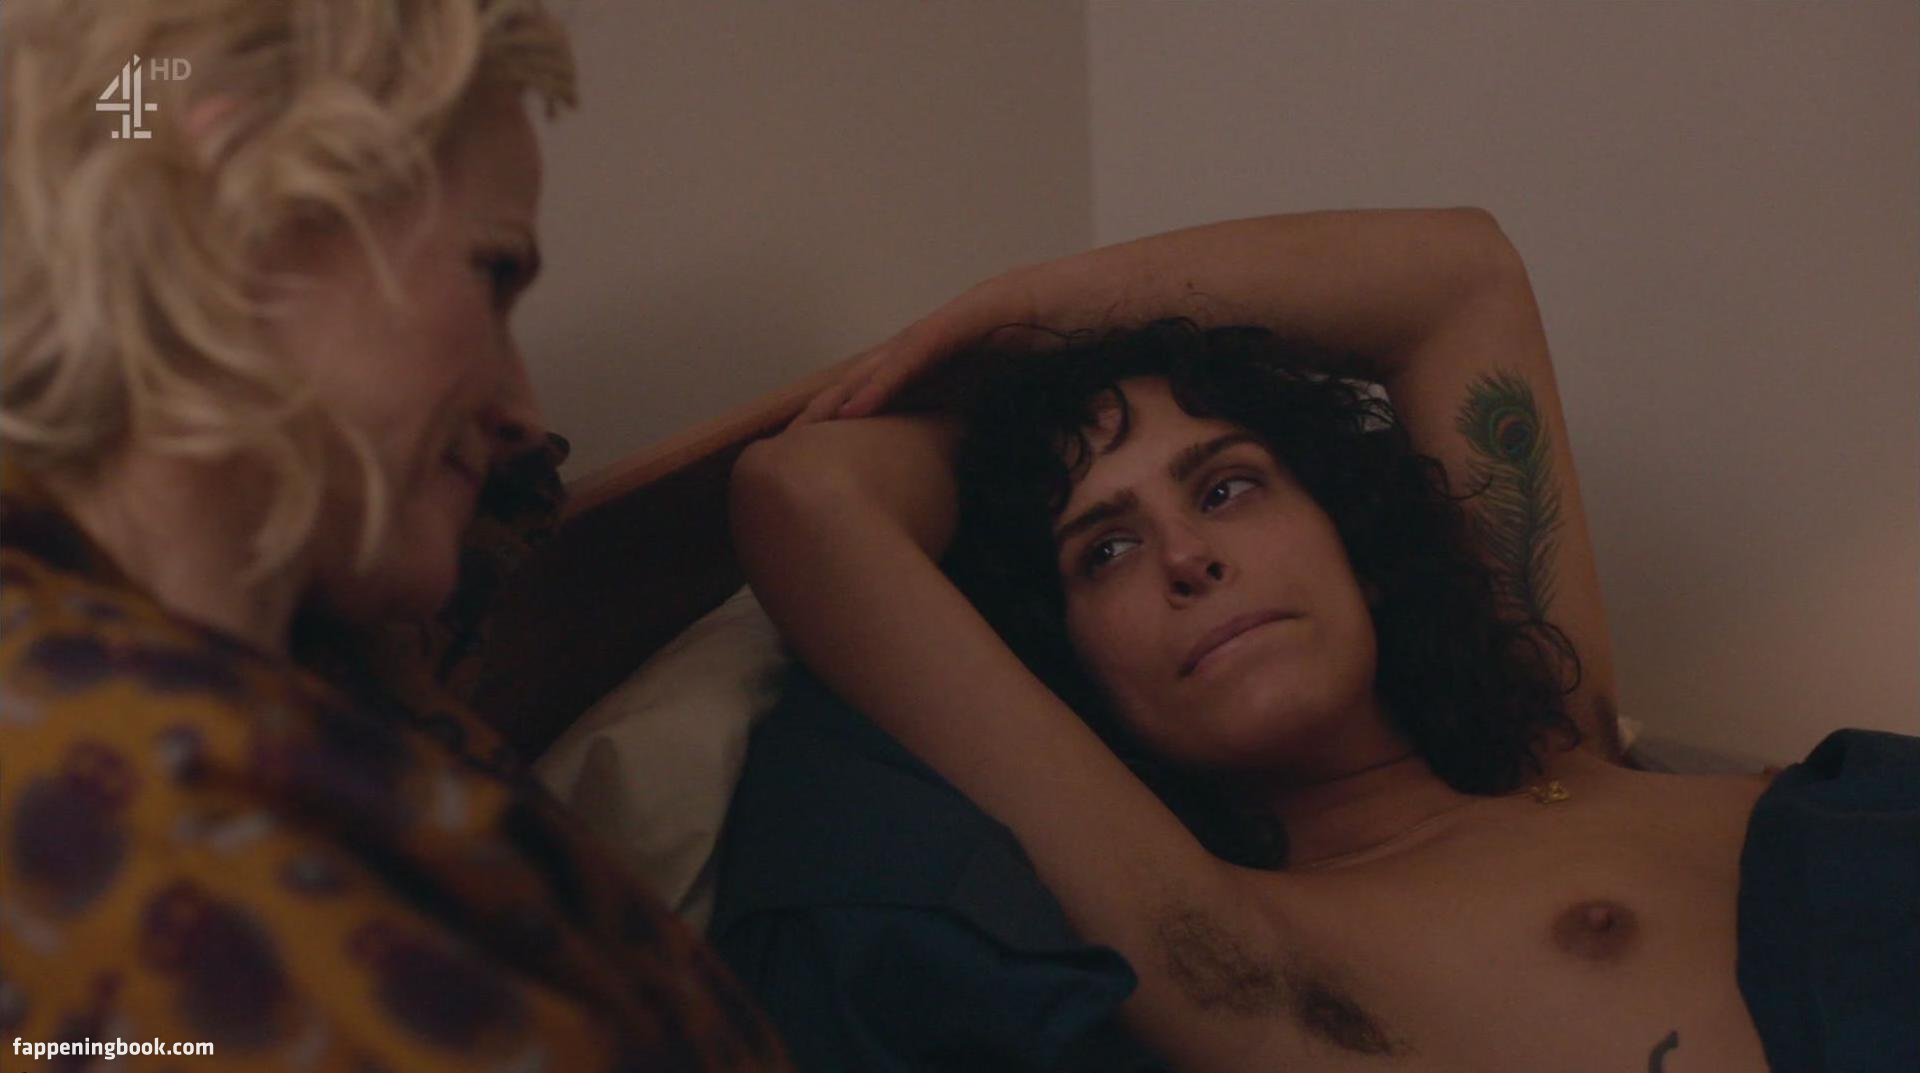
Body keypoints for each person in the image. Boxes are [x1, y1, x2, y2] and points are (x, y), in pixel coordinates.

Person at [731, 208, 1920, 1071]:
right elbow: (807, 495)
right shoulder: (1239, 952)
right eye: (1105, 549)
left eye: (1227, 487)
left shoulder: (1555, 725)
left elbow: (1458, 276)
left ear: (1354, 532)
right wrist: (1012, 430)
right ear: (1075, 669)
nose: (1187, 556)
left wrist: (1030, 314)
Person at [0, 2, 788, 1069]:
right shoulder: (159, 835)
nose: (524, 409)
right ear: (242, 208)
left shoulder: (324, 642)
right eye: (493, 270)